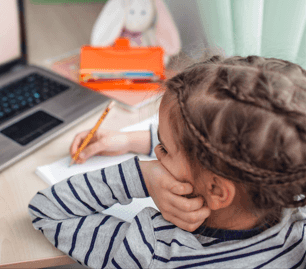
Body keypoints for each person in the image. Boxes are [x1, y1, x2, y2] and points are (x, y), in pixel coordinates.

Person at [28, 55, 306, 268]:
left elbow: (47, 211)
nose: (157, 154)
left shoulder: (155, 250)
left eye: (164, 148)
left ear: (217, 191)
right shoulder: (296, 223)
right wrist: (131, 141)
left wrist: (142, 176)